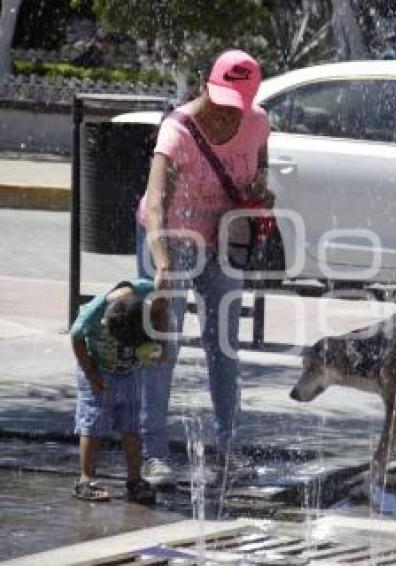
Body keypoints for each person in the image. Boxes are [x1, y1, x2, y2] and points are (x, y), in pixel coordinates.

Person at [136, 49, 272, 486]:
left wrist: (260, 193)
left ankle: (229, 449)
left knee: (225, 348)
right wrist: (161, 265)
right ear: (203, 85)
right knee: (162, 348)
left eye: (236, 101)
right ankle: (153, 455)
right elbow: (156, 202)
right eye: (220, 97)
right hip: (171, 242)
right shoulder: (178, 130)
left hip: (223, 244)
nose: (225, 111)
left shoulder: (257, 122)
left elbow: (262, 164)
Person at [71, 279, 161, 503]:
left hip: (130, 372)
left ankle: (134, 480)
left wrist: (161, 342)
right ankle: (86, 480)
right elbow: (76, 337)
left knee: (131, 427)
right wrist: (90, 372)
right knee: (93, 425)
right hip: (99, 373)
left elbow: (163, 305)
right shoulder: (93, 314)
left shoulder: (147, 292)